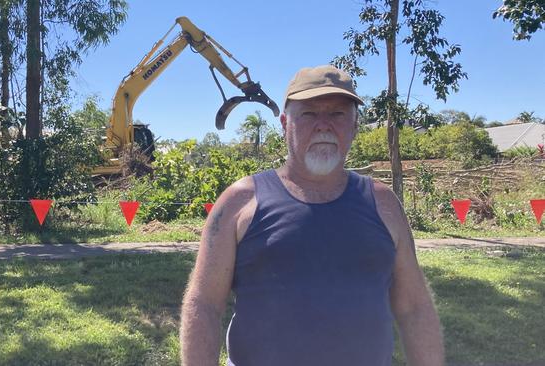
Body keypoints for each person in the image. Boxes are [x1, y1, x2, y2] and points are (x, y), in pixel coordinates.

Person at [180, 65, 444, 366]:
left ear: (355, 126)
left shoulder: (383, 204)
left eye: (338, 114)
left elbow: (414, 306)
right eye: (308, 114)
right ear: (284, 124)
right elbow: (204, 303)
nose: (323, 126)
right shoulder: (240, 201)